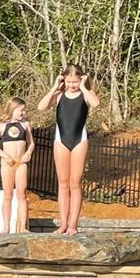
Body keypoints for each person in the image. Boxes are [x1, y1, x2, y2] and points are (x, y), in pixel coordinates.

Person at [38, 64, 98, 235]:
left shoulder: (86, 95)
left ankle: (73, 224)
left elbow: (96, 103)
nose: (72, 84)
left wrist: (84, 87)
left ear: (81, 79)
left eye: (75, 81)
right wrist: (54, 87)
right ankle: (63, 224)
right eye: (69, 81)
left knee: (75, 182)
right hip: (61, 141)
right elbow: (41, 107)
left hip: (79, 140)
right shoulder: (58, 96)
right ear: (64, 79)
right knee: (63, 183)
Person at [0, 97, 34, 233]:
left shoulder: (25, 125)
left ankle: (23, 227)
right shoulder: (1, 126)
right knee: (8, 194)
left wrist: (29, 152)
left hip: (21, 163)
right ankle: (6, 227)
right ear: (13, 109)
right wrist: (5, 156)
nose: (23, 113)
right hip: (7, 163)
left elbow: (31, 143)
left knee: (22, 194)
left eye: (24, 110)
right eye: (21, 110)